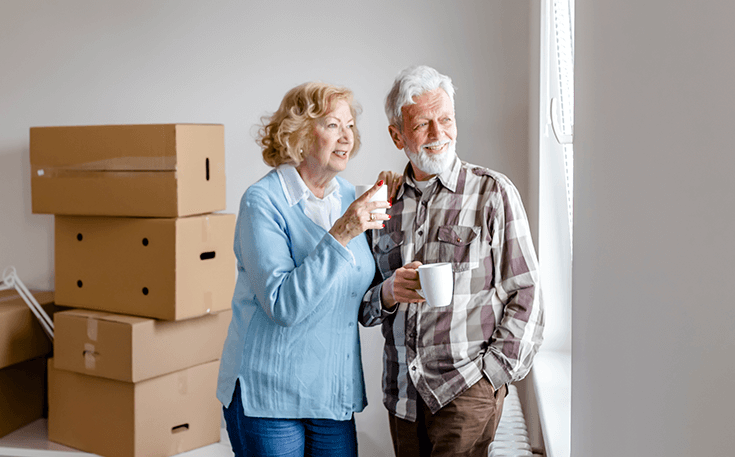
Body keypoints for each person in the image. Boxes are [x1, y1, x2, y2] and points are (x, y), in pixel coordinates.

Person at [360, 65, 545, 457]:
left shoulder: (492, 193)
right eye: (423, 124)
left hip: (466, 392)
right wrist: (389, 292)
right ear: (397, 136)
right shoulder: (382, 204)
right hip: (403, 400)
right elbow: (362, 304)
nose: (438, 134)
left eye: (445, 119)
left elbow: (526, 292)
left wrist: (491, 376)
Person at [217, 81, 394, 457]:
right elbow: (283, 305)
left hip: (331, 394)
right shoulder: (262, 202)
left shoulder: (350, 197)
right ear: (298, 132)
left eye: (350, 126)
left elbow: (354, 292)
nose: (347, 137)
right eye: (332, 125)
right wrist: (343, 231)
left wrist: (393, 290)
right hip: (268, 397)